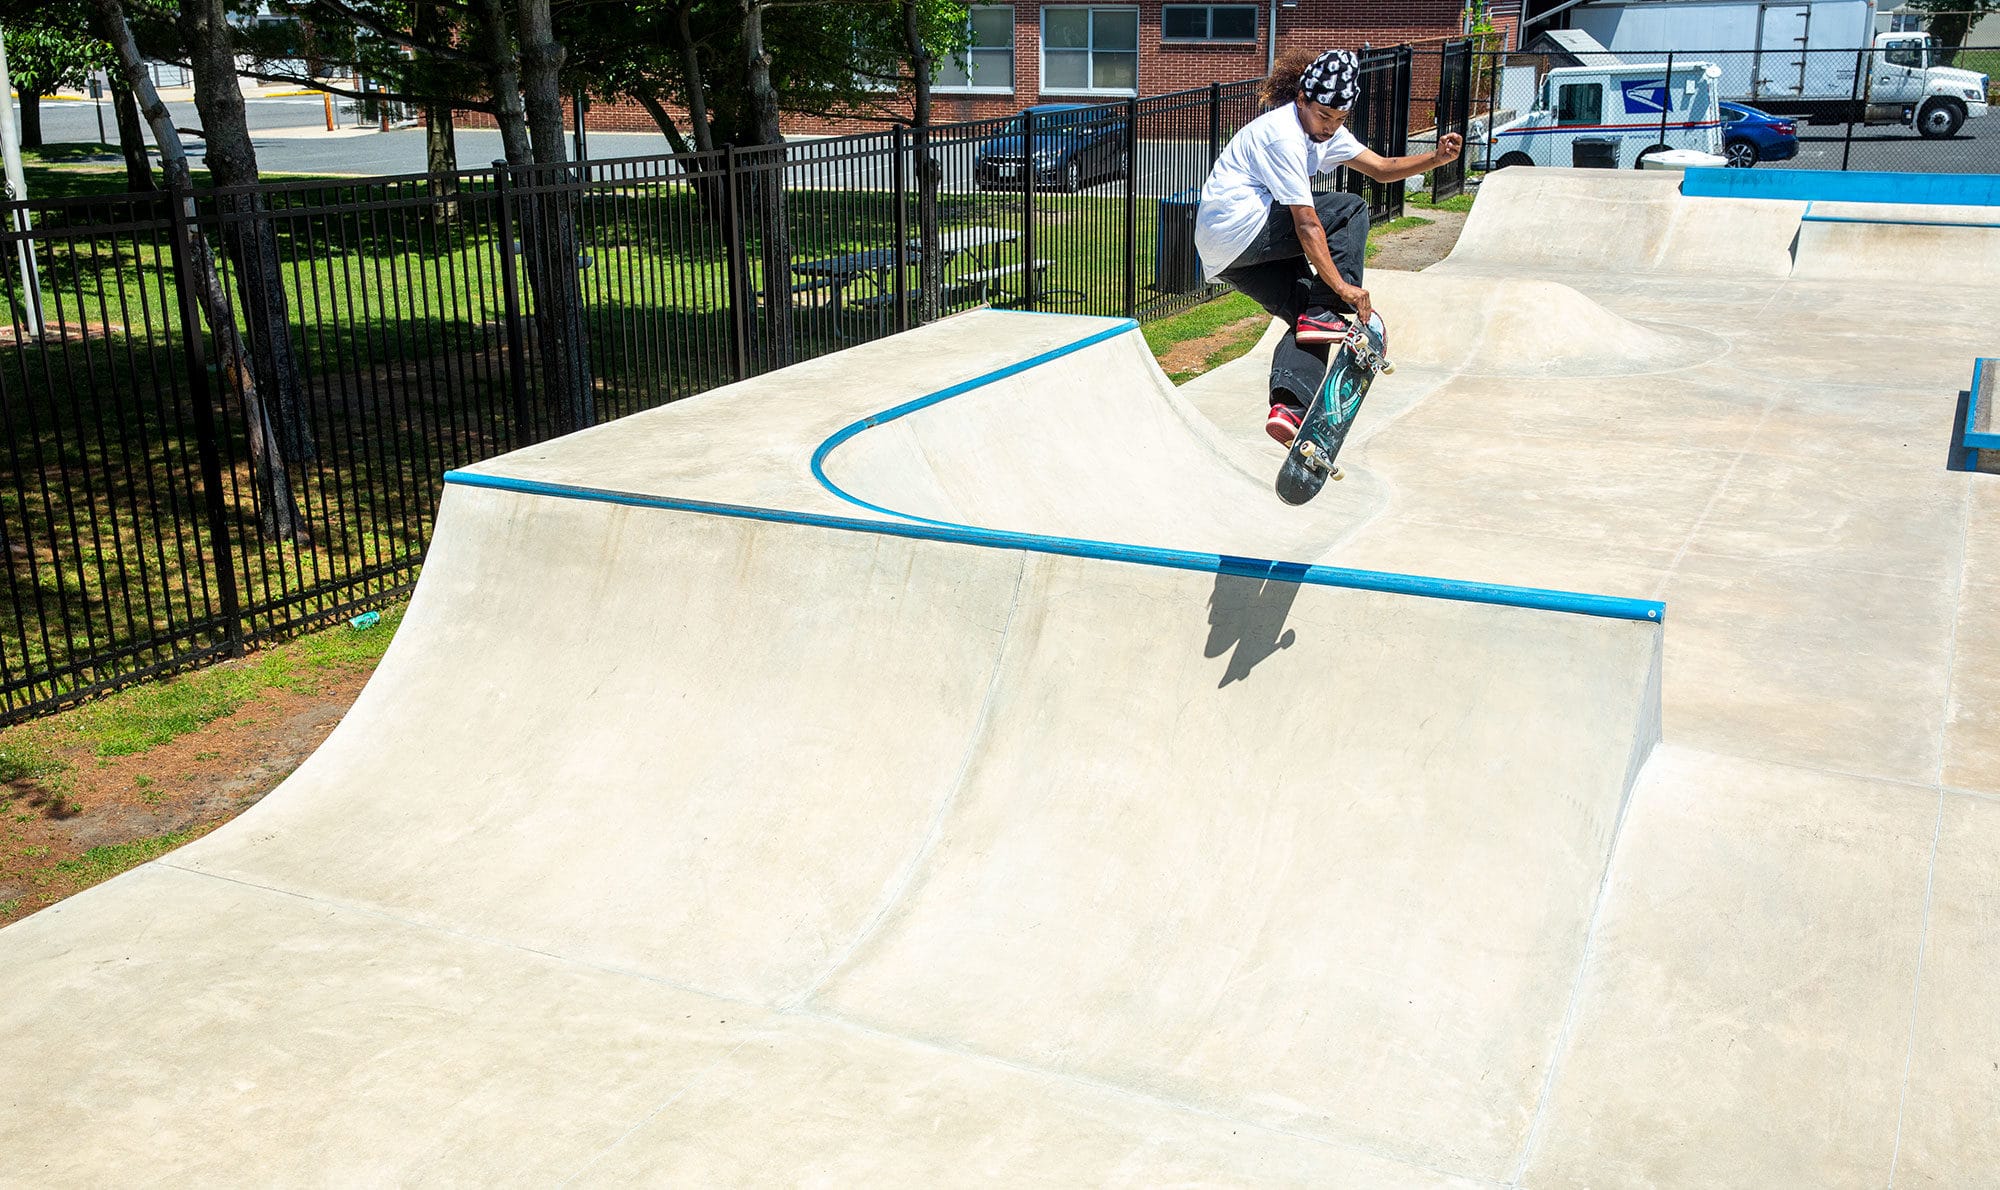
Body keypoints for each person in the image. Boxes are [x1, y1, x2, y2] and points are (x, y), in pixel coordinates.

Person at [1195, 47, 1463, 445]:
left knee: (1311, 320)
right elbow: (1307, 224)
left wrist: (1436, 159)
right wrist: (1341, 287)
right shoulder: (1281, 135)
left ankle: (1289, 407)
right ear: (1301, 98)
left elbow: (1381, 169)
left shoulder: (1326, 130)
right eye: (1323, 116)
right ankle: (1324, 310)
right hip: (1241, 227)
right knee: (1350, 209)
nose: (1329, 128)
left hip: (1226, 255)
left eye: (1339, 120)